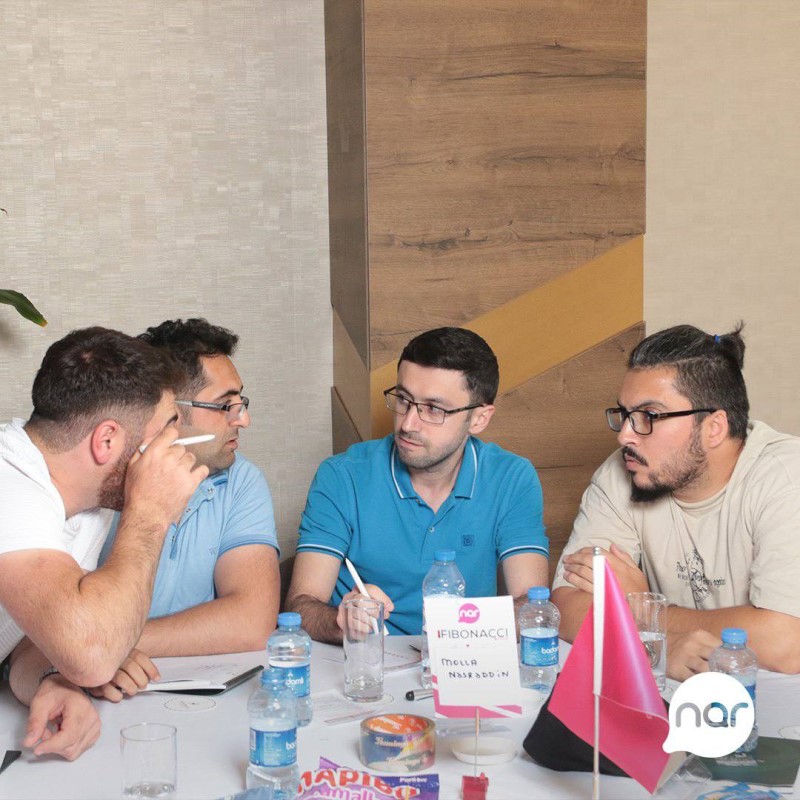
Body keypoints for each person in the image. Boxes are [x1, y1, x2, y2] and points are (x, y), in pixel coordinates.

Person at [0, 327, 208, 759]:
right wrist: (150, 514)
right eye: (167, 430)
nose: (177, 448)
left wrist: (53, 680)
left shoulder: (87, 498)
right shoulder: (10, 484)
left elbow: (27, 639)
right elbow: (93, 656)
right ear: (107, 441)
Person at [552, 323, 800, 680]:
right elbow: (566, 605)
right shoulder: (622, 472)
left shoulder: (786, 477)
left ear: (713, 427)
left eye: (649, 416)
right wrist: (655, 648)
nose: (625, 435)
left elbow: (785, 643)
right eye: (625, 415)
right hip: (687, 698)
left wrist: (645, 611)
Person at [286, 327, 548, 642]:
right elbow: (301, 607)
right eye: (403, 400)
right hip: (368, 656)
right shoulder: (342, 476)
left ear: (479, 418)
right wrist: (340, 621)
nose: (408, 424)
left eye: (434, 409)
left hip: (465, 655)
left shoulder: (512, 478)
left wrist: (455, 635)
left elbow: (533, 606)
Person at [94, 318, 280, 701]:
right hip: (97, 694)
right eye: (225, 405)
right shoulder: (97, 484)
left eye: (240, 403)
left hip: (191, 697)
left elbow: (252, 621)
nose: (243, 419)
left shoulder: (241, 480)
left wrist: (111, 644)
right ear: (170, 409)